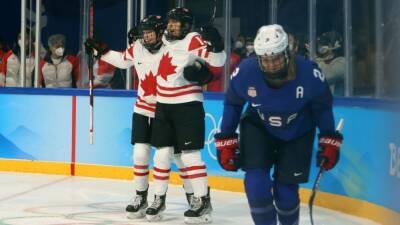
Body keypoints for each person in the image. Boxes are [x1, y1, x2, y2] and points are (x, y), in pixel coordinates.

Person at [214, 24, 343, 225]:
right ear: (258, 57)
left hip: (298, 130)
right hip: (259, 127)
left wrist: (329, 139)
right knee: (256, 185)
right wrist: (226, 141)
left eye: (275, 58)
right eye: (265, 59)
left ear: (286, 53)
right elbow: (233, 103)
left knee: (286, 194)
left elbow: (322, 106)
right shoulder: (246, 71)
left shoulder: (308, 72)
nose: (271, 64)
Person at [148, 7, 226, 224]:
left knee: (189, 155)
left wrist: (217, 44)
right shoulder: (163, 38)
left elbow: (218, 61)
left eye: (176, 22)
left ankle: (202, 201)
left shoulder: (192, 40)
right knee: (162, 155)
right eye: (170, 21)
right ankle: (158, 199)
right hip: (163, 104)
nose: (172, 25)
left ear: (186, 25)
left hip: (187, 105)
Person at [315, 31, 345, 96]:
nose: (321, 46)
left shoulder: (342, 62)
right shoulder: (316, 60)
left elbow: (326, 76)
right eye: (320, 44)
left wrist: (315, 58)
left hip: (337, 102)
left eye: (325, 44)